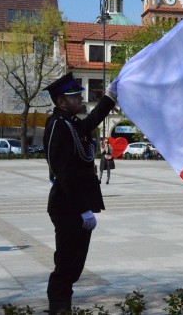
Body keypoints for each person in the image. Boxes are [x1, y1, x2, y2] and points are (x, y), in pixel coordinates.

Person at [43, 73, 118, 314]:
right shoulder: (58, 125)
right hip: (67, 206)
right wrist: (82, 209)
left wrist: (110, 97)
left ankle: (63, 306)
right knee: (66, 266)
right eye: (75, 97)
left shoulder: (71, 123)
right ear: (61, 102)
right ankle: (59, 309)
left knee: (74, 266)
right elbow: (63, 171)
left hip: (76, 204)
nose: (80, 100)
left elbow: (91, 122)